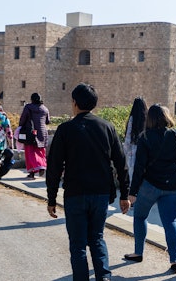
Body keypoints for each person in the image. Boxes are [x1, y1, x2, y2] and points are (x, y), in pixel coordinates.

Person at [46, 84, 130, 281]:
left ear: (74, 103)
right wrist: (124, 194)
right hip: (101, 192)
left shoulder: (65, 129)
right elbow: (121, 163)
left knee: (77, 244)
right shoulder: (107, 127)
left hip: (75, 193)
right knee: (97, 238)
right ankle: (104, 277)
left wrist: (51, 198)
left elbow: (54, 167)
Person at [123, 104, 176, 272]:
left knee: (139, 217)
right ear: (167, 117)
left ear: (150, 118)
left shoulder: (145, 137)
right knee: (170, 222)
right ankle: (174, 260)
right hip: (173, 185)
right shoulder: (175, 134)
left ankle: (138, 252)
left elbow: (139, 167)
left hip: (150, 185)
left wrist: (132, 193)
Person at [19, 92, 51, 179]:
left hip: (31, 132)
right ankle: (42, 166)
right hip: (42, 133)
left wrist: (21, 126)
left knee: (30, 152)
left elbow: (23, 119)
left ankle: (34, 171)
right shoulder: (45, 109)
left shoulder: (28, 107)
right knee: (41, 152)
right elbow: (48, 121)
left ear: (32, 99)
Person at [123, 97, 148, 180]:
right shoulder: (148, 119)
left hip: (133, 155)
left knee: (134, 180)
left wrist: (125, 154)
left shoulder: (132, 119)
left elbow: (127, 141)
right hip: (146, 153)